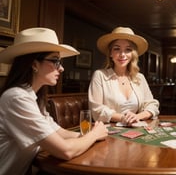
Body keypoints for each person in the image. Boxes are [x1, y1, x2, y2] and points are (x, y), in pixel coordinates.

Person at [0, 27, 108, 175]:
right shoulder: (16, 98)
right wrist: (94, 135)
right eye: (56, 61)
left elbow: (58, 132)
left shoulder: (33, 96)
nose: (62, 68)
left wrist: (89, 135)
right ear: (34, 64)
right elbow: (66, 151)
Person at [88, 27, 159, 126]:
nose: (122, 54)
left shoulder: (140, 77)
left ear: (132, 54)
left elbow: (152, 105)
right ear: (110, 53)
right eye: (117, 49)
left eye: (128, 49)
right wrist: (123, 118)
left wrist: (138, 117)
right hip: (109, 132)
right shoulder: (99, 75)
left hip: (136, 128)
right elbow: (96, 110)